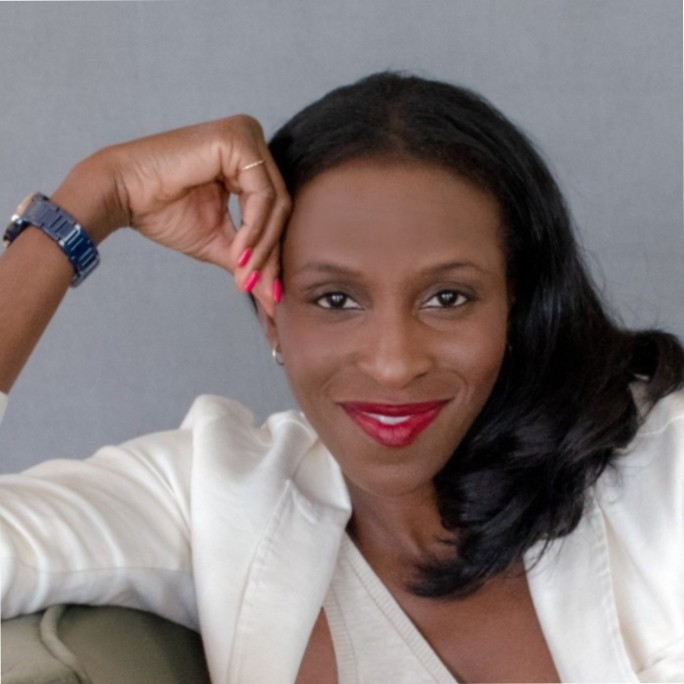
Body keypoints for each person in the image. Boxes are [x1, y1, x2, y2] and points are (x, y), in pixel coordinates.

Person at [1, 72, 683, 683]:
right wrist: (95, 196)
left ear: (516, 305)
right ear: (272, 315)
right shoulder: (216, 496)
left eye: (447, 298)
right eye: (335, 299)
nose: (394, 362)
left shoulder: (664, 475)